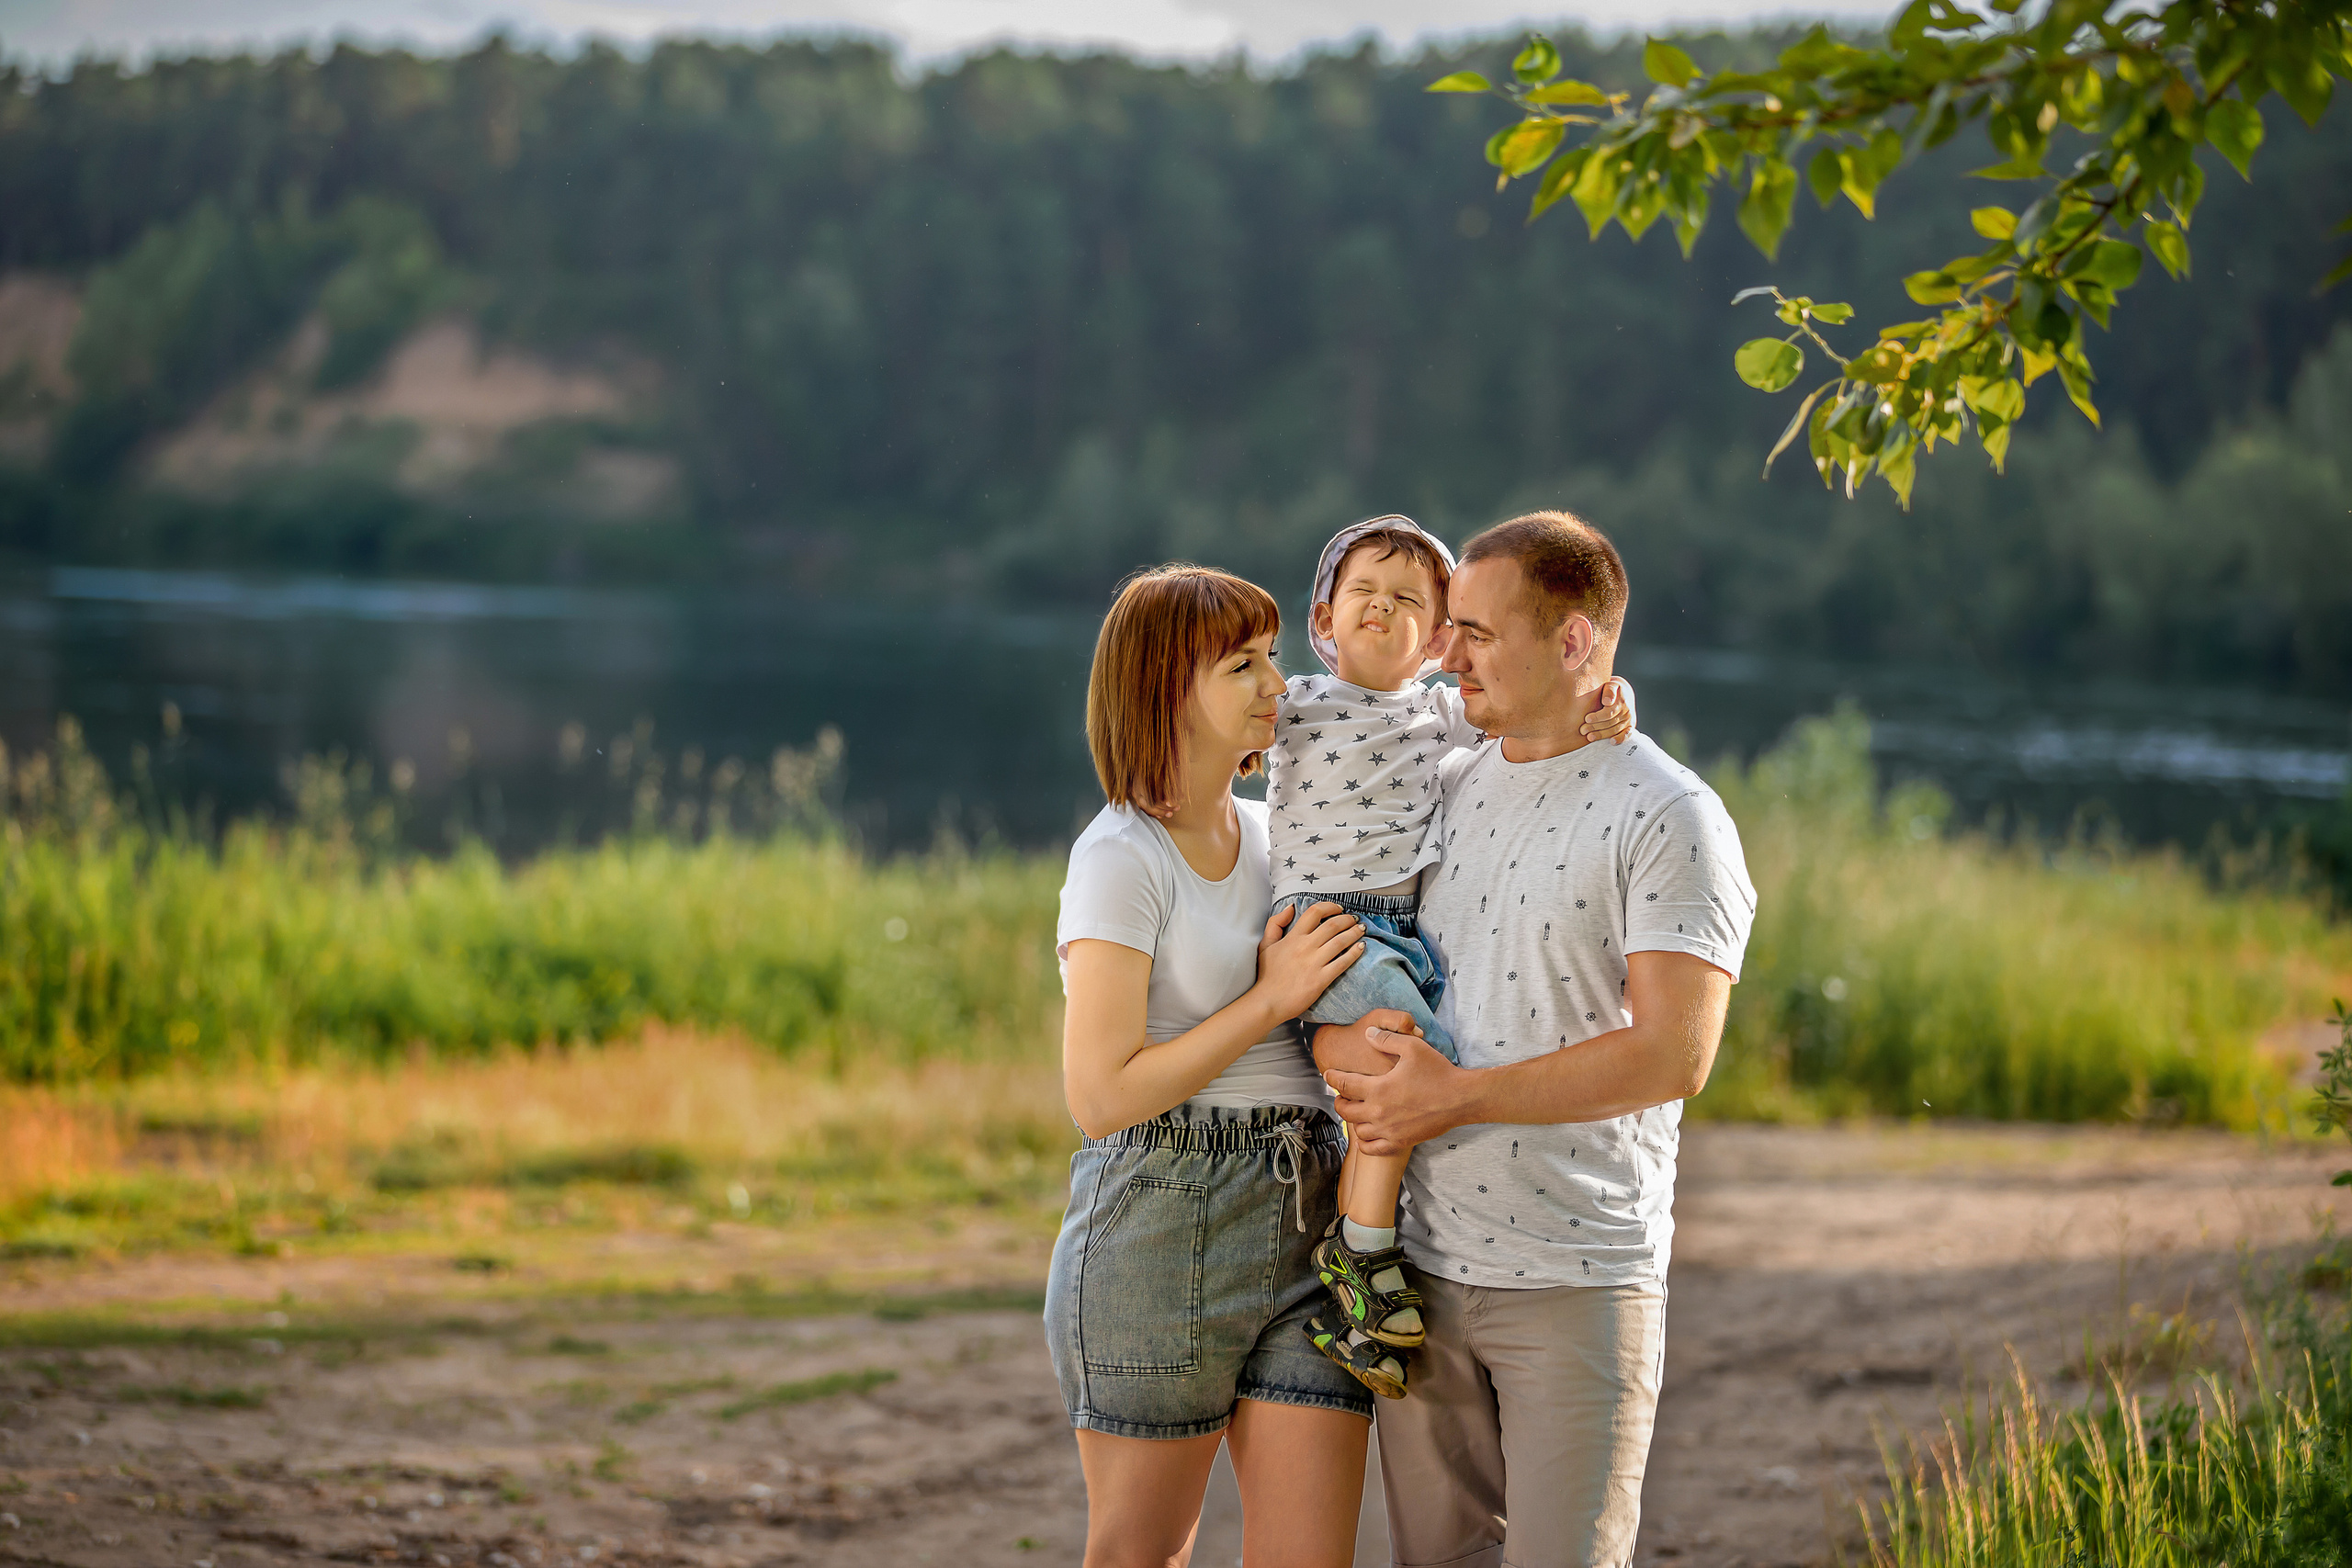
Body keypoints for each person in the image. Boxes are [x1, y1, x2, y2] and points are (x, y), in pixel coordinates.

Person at [1316, 510, 1758, 1568]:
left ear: (1575, 644)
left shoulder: (1670, 816)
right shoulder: (1444, 782)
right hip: (1417, 1274)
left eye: (1475, 631)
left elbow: (1672, 1057)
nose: (1443, 652)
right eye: (1448, 626)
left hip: (1577, 1275)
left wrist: (1453, 1097)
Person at [1046, 562, 1375, 1568]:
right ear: (1166, 691)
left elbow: (1414, 747)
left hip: (1313, 1216)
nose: (1277, 684)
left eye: (1271, 658)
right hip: (1160, 1218)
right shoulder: (1121, 857)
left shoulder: (1288, 838)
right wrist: (1267, 1002)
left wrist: (1599, 708)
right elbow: (1100, 1097)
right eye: (1244, 665)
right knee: (1143, 1555)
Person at [1261, 516, 1630, 1403]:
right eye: (1363, 596)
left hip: (1401, 928)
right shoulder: (1298, 704)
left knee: (1408, 1067)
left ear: (1436, 641)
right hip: (1324, 925)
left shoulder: (1442, 715)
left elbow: (1544, 711)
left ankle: (1360, 1274)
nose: (1381, 612)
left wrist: (1611, 702)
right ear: (1323, 619)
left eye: (1407, 604)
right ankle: (1361, 1248)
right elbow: (1211, 723)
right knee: (1411, 1057)